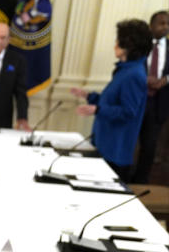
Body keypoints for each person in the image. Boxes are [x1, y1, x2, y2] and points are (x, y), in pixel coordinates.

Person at [71, 19, 152, 183]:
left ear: (130, 46)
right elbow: (113, 101)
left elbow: (128, 112)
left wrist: (97, 110)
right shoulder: (125, 69)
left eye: (119, 40)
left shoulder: (134, 74)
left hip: (115, 151)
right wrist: (89, 96)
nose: (115, 44)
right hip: (105, 143)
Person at [133, 10, 169, 183]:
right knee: (130, 140)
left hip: (158, 103)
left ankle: (141, 181)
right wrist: (143, 78)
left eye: (168, 24)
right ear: (151, 25)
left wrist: (165, 80)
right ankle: (123, 177)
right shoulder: (139, 45)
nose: (165, 27)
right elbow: (129, 64)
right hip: (136, 99)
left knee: (150, 145)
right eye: (161, 23)